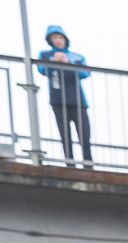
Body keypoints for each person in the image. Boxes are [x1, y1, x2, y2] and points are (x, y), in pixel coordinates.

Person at [35, 25, 91, 163]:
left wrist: (68, 63)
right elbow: (41, 69)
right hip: (58, 100)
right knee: (65, 135)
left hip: (78, 101)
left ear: (65, 39)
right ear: (50, 40)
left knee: (84, 134)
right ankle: (70, 162)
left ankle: (88, 163)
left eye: (60, 37)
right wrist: (54, 62)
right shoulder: (45, 55)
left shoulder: (76, 57)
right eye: (54, 38)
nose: (58, 40)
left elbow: (85, 73)